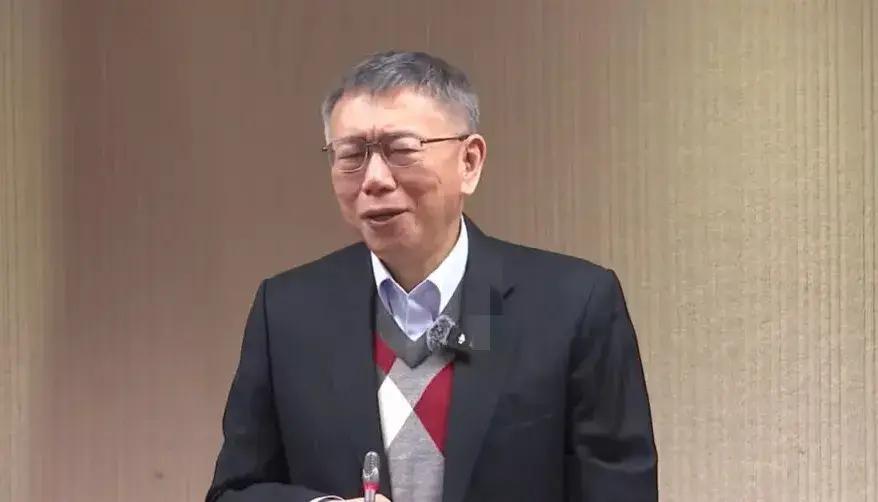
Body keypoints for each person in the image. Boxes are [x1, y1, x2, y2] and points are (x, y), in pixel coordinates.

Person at [206, 50, 658, 502]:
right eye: (351, 155)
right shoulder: (288, 312)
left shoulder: (572, 305)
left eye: (402, 150)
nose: (374, 179)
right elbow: (233, 492)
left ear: (469, 162)